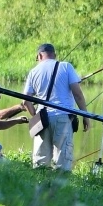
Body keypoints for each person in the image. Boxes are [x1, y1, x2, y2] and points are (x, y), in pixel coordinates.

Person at [21, 43, 87, 172]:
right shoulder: (66, 66)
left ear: (39, 55)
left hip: (42, 119)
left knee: (40, 163)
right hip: (63, 118)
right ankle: (61, 189)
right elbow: (78, 94)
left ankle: (39, 189)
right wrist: (86, 117)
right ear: (54, 55)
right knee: (63, 163)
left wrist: (35, 116)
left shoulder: (33, 72)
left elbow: (25, 100)